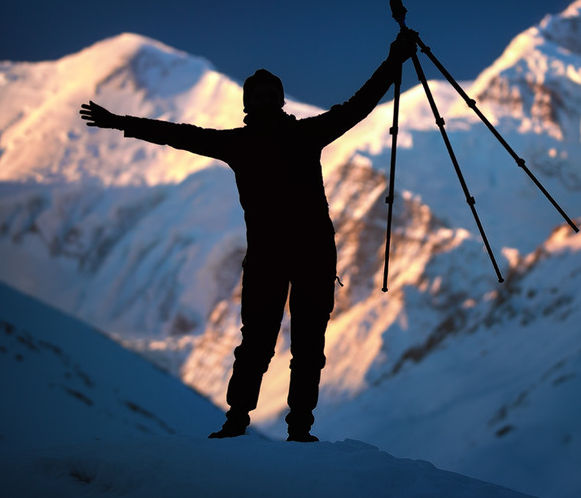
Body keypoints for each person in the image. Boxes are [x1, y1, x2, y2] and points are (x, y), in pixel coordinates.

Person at [80, 31, 417, 442]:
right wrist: (121, 123)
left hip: (288, 256)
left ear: (278, 100)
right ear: (249, 104)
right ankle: (252, 422)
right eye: (260, 95)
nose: (266, 100)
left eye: (270, 94)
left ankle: (269, 425)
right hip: (293, 255)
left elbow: (359, 105)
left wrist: (392, 62)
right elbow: (177, 133)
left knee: (287, 343)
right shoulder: (274, 139)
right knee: (271, 343)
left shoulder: (262, 140)